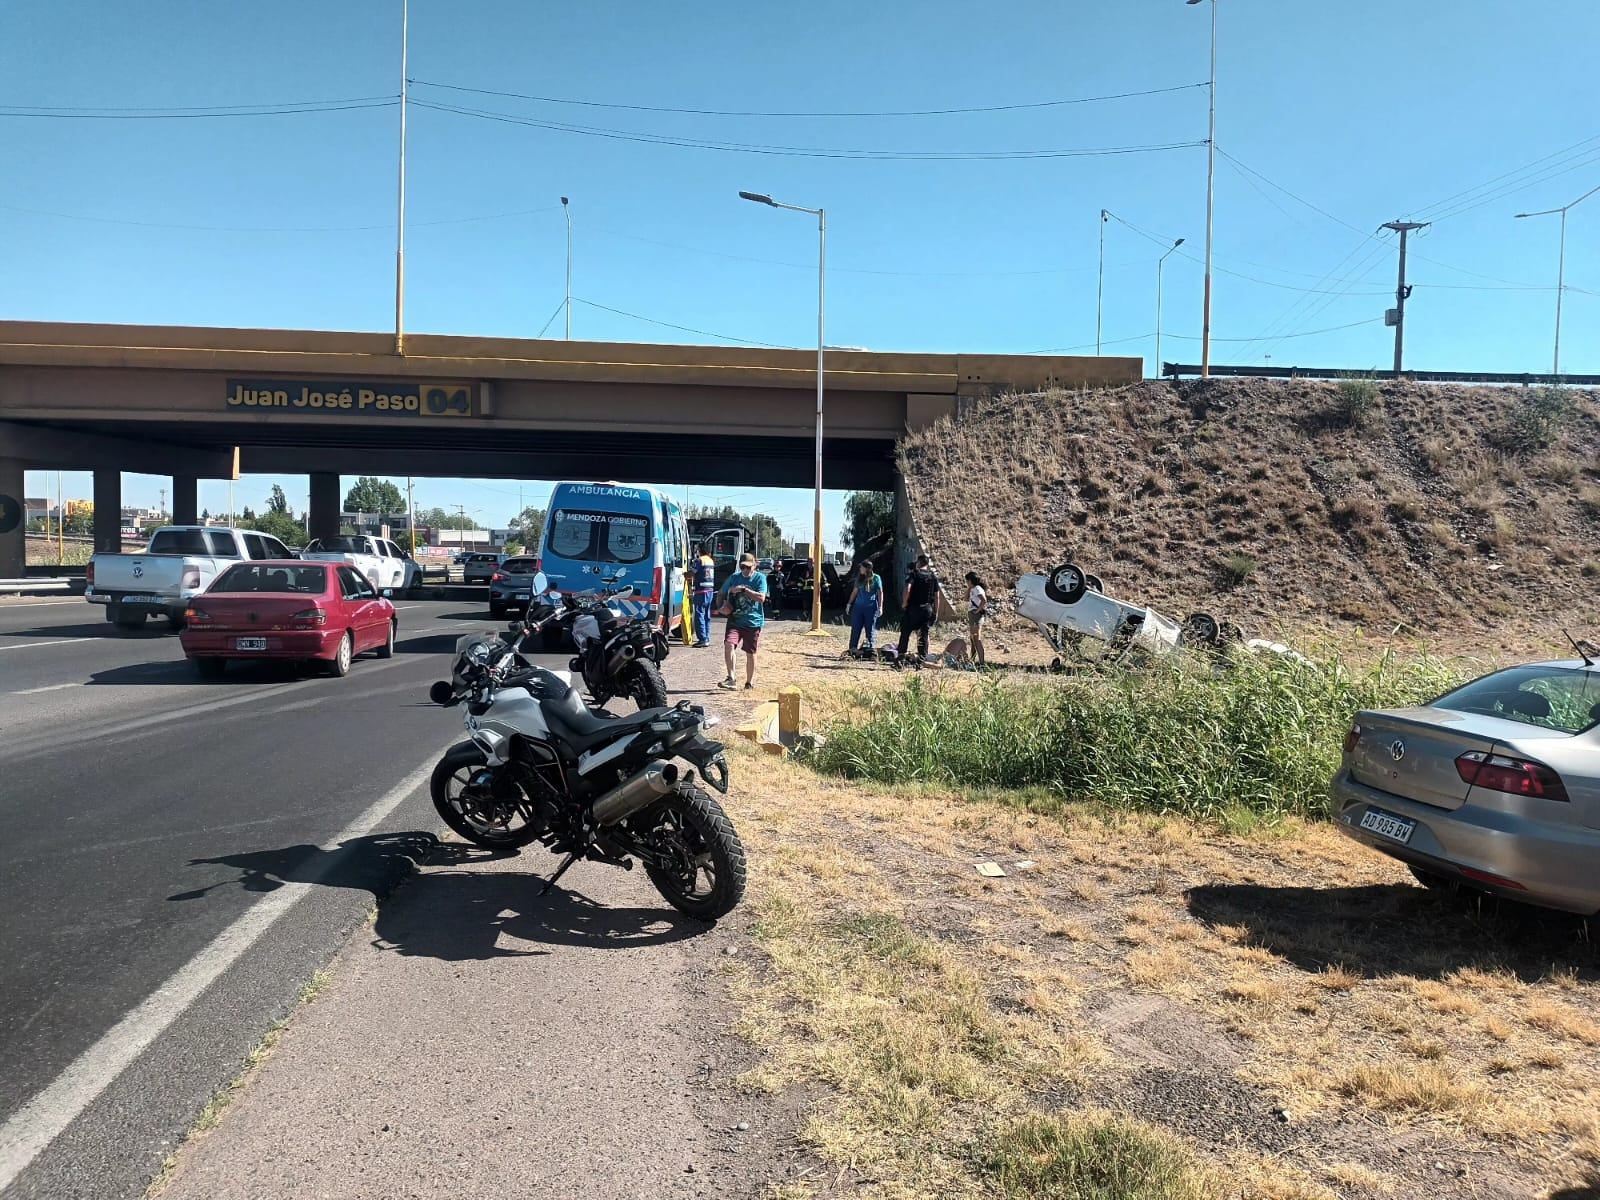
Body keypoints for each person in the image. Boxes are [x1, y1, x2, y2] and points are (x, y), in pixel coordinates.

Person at [718, 552, 767, 690]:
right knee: (729, 644)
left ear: (754, 565)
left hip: (753, 622)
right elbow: (722, 591)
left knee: (750, 653)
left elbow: (761, 598)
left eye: (748, 567)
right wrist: (722, 606)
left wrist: (744, 590)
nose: (745, 570)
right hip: (735, 620)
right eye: (743, 567)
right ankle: (731, 678)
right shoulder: (734, 577)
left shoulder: (760, 579)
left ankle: (749, 682)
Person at [897, 554, 941, 663]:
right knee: (923, 634)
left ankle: (901, 657)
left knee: (905, 632)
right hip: (927, 610)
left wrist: (904, 602)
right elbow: (937, 596)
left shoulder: (914, 574)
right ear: (927, 564)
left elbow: (907, 588)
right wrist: (936, 611)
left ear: (918, 562)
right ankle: (921, 659)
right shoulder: (932, 576)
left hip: (913, 608)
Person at [846, 560, 883, 656]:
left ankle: (870, 651)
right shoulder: (859, 579)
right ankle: (852, 649)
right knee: (856, 628)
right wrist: (849, 603)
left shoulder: (876, 578)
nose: (860, 569)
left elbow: (880, 593)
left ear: (867, 568)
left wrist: (880, 606)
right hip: (858, 607)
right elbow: (855, 592)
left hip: (871, 608)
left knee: (870, 629)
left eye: (862, 567)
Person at [690, 542, 717, 647]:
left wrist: (684, 574)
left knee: (699, 614)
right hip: (709, 591)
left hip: (701, 591)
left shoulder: (700, 560)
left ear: (700, 550)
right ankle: (706, 637)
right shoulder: (710, 560)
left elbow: (692, 573)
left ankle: (702, 639)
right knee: (706, 615)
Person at [965, 571, 989, 667]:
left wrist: (977, 610)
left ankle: (982, 663)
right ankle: (973, 660)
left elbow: (984, 600)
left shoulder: (977, 589)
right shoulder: (973, 589)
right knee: (973, 639)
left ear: (970, 580)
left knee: (976, 638)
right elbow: (966, 598)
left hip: (975, 615)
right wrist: (969, 588)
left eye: (967, 581)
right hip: (973, 614)